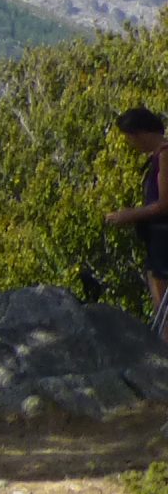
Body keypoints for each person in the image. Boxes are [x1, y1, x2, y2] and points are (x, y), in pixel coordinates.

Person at [106, 107, 168, 337]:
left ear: (139, 133)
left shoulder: (164, 155)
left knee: (163, 305)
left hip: (164, 238)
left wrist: (128, 215)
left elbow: (164, 203)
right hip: (156, 240)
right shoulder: (158, 156)